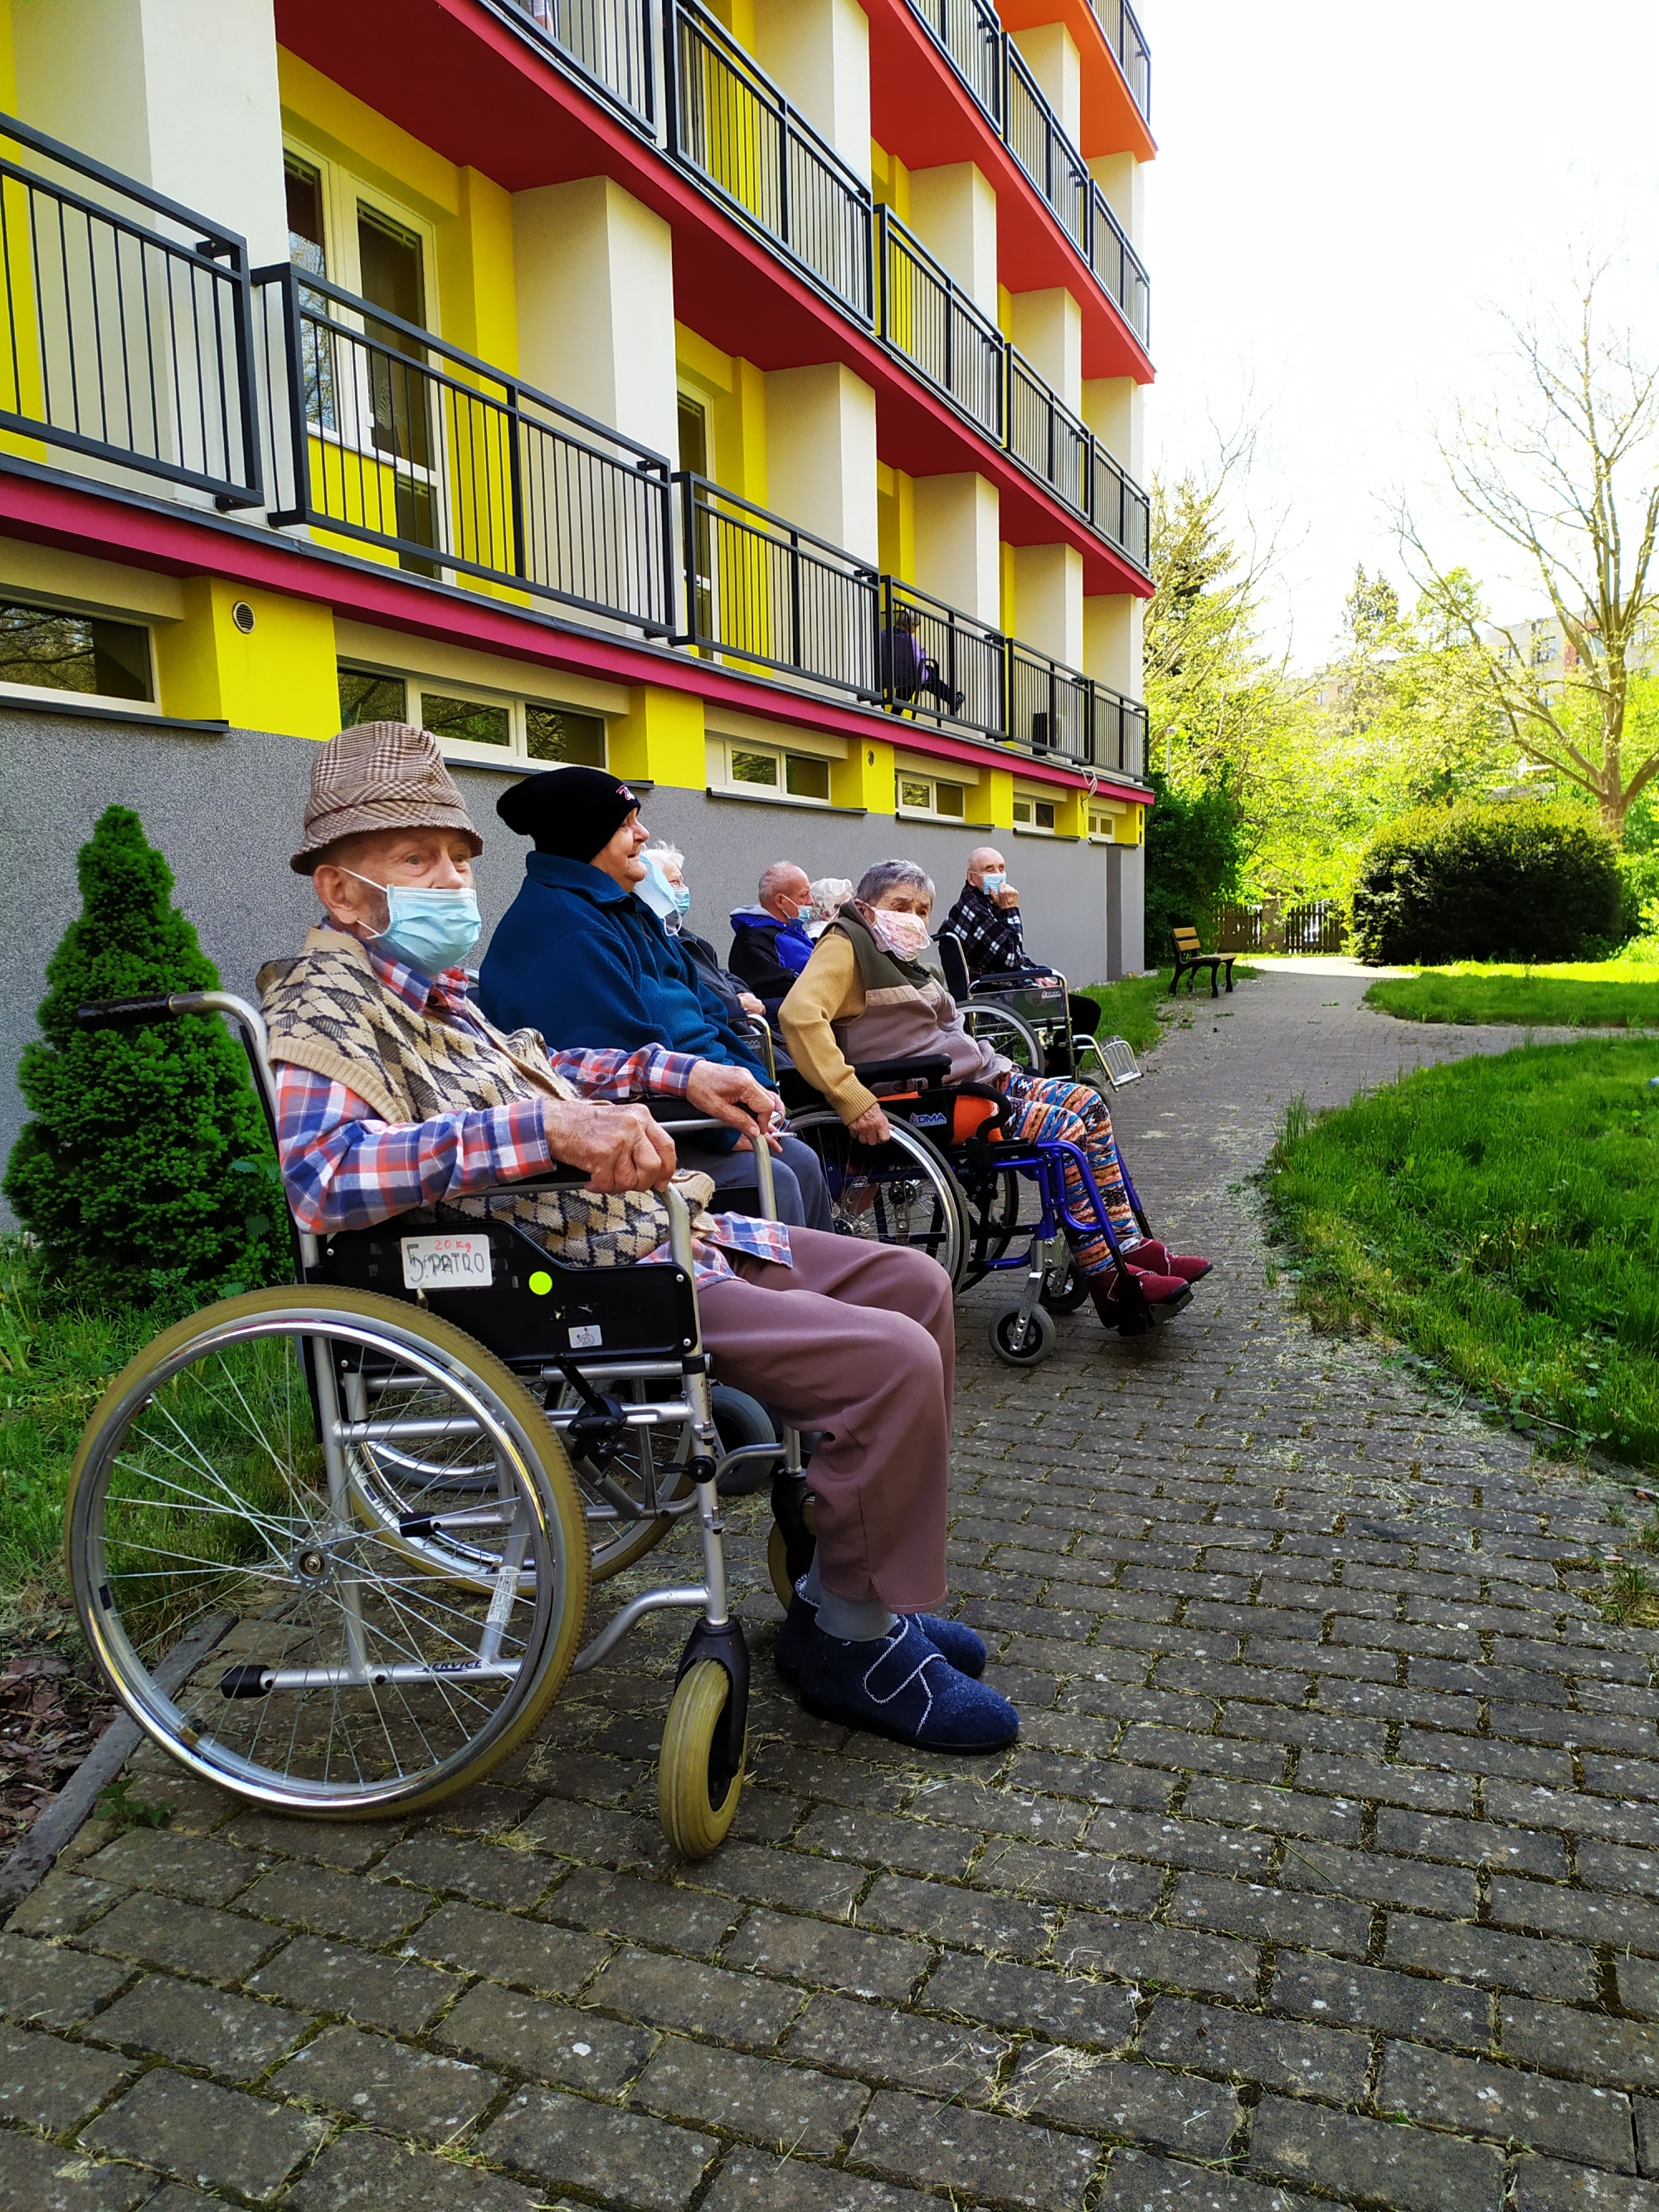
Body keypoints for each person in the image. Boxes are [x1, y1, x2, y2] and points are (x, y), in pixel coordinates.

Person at [265, 723, 1017, 1753]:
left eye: (457, 858)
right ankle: (847, 1640)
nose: (451, 881)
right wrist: (544, 1130)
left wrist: (678, 1073)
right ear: (340, 891)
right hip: (569, 1278)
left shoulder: (440, 998)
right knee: (888, 1359)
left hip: (644, 1236)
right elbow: (323, 1176)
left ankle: (853, 1587)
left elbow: (550, 1062)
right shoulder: (322, 1009)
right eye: (415, 859)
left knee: (910, 1285)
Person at [780, 857, 1211, 1330]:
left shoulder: (895, 954)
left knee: (1090, 1105)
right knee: (1064, 1130)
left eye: (922, 910)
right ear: (866, 907)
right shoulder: (845, 945)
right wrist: (853, 1099)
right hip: (932, 1096)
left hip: (978, 1078)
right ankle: (1106, 1277)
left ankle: (1128, 1246)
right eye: (899, 906)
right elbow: (799, 1015)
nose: (913, 919)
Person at [479, 768, 832, 1232]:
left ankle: (817, 1276)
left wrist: (759, 1091)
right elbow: (613, 1061)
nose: (643, 834)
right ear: (585, 836)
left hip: (696, 1111)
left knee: (802, 1160)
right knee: (780, 1175)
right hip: (650, 1131)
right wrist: (727, 1127)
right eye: (626, 824)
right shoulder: (566, 930)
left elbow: (709, 1013)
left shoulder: (624, 909)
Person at [942, 845, 1103, 1062]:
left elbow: (1011, 955)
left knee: (1070, 999)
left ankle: (1048, 1062)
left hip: (999, 989)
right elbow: (1012, 958)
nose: (998, 874)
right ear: (971, 878)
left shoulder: (980, 903)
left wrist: (1036, 973)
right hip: (996, 997)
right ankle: (1054, 1069)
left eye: (1001, 868)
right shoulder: (975, 911)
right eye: (989, 869)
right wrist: (1011, 909)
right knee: (1087, 1011)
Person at [728, 863, 816, 1015]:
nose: (811, 901)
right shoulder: (753, 940)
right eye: (804, 895)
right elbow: (774, 989)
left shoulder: (792, 930)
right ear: (781, 901)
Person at [883, 604, 962, 717]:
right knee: (928, 676)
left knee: (913, 680)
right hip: (906, 676)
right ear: (910, 624)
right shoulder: (909, 639)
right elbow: (917, 664)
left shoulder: (883, 634)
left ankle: (895, 712)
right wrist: (923, 654)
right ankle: (952, 698)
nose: (914, 630)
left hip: (887, 675)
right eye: (915, 626)